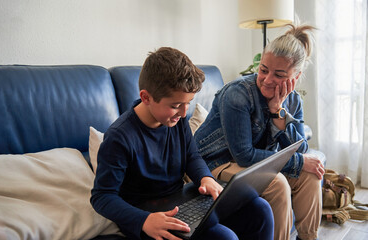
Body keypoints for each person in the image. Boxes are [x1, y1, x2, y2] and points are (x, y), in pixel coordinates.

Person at [91, 47, 274, 240]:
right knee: (223, 237)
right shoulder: (119, 137)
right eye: (176, 105)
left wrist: (205, 178)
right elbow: (102, 197)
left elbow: (191, 156)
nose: (184, 113)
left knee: (260, 209)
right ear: (146, 97)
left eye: (189, 103)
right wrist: (145, 220)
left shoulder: (175, 120)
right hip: (147, 215)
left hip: (181, 200)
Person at [194, 24, 323, 240]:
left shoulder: (293, 101)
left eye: (279, 74)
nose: (267, 79)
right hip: (216, 163)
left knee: (310, 174)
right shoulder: (238, 95)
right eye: (263, 69)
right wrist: (299, 162)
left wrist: (278, 114)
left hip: (256, 165)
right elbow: (244, 156)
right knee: (277, 182)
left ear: (296, 76)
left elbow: (300, 148)